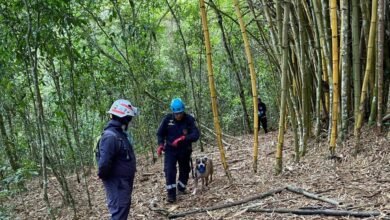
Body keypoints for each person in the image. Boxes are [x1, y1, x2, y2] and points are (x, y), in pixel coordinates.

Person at [97, 99, 138, 220]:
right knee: (118, 213)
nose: (130, 120)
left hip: (122, 182)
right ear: (124, 118)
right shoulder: (110, 136)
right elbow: (104, 164)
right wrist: (107, 178)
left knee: (122, 210)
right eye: (129, 117)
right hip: (117, 182)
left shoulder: (119, 134)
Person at [156, 98, 200, 203]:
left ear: (183, 111)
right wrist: (161, 144)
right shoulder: (167, 120)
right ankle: (171, 194)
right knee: (169, 170)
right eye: (176, 114)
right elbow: (160, 134)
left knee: (185, 170)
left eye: (180, 113)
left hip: (185, 149)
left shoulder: (189, 119)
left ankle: (181, 187)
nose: (178, 116)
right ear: (173, 112)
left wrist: (184, 138)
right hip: (170, 150)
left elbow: (196, 134)